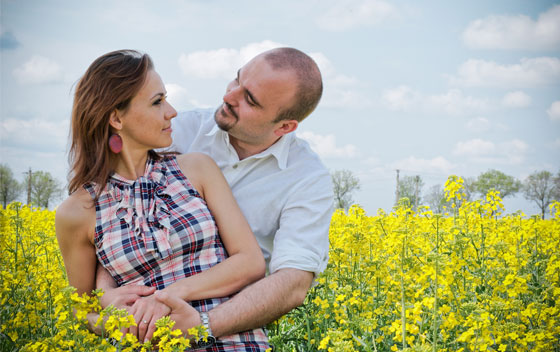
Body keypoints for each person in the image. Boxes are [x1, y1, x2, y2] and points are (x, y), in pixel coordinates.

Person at [97, 47, 334, 342]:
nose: (228, 97)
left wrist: (201, 327)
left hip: (230, 330)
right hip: (142, 326)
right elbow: (108, 213)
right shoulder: (178, 132)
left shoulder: (308, 179)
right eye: (237, 80)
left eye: (249, 100)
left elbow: (293, 283)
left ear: (285, 127)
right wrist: (106, 293)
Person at [55, 49, 271, 351]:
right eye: (157, 102)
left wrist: (165, 297)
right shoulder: (77, 213)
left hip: (235, 343)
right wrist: (111, 317)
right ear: (117, 118)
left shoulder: (196, 168)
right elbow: (80, 310)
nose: (171, 111)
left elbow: (250, 262)